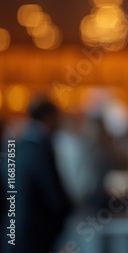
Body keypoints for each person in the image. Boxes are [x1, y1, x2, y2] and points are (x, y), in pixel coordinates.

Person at [1, 95, 72, 253]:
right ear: (48, 117)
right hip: (35, 237)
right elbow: (56, 199)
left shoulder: (14, 147)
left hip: (10, 236)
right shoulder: (41, 148)